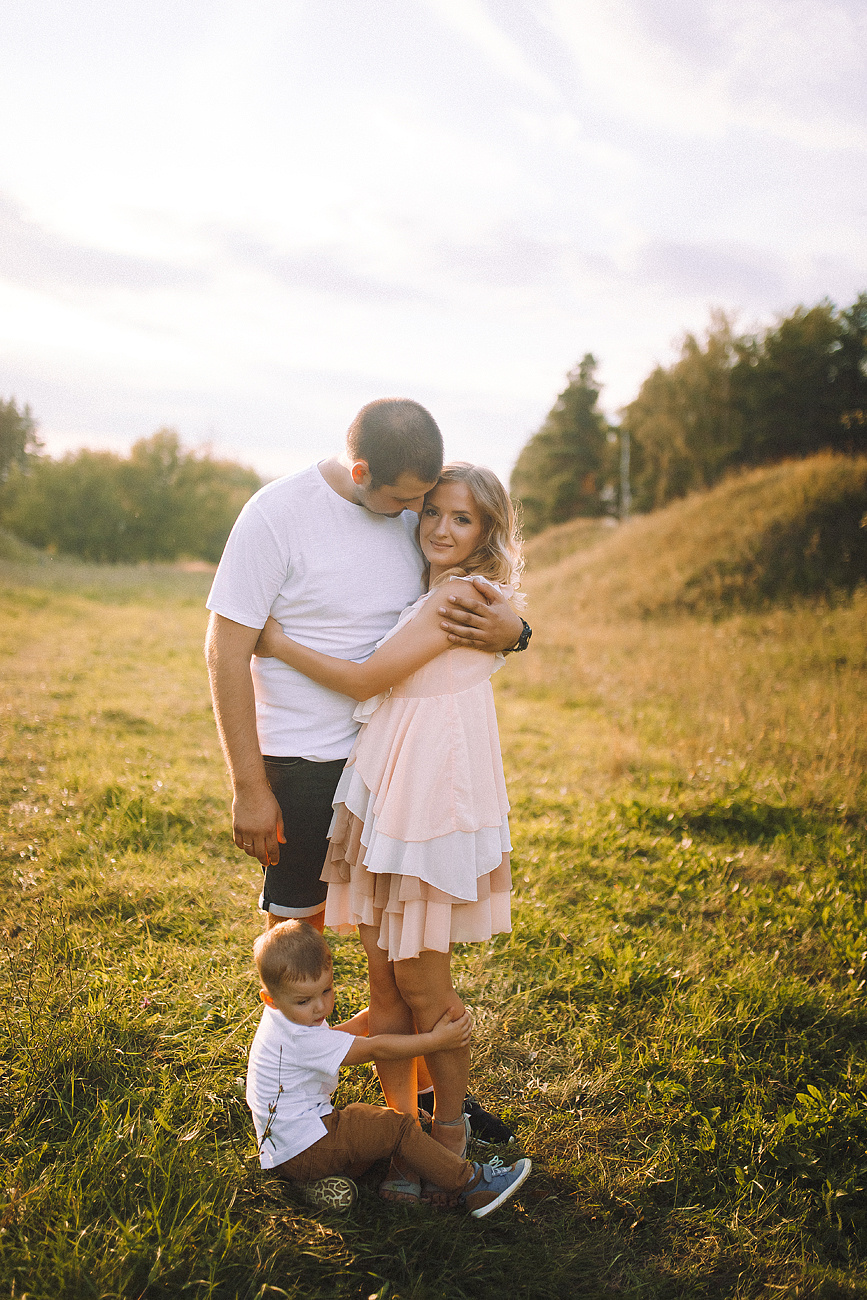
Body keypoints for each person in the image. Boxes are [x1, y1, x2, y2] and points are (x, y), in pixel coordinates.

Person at [206, 400, 527, 1141]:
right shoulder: (276, 515)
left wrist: (518, 630)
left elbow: (463, 610)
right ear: (361, 474)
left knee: (395, 972)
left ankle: (418, 1104)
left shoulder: (411, 513)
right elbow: (224, 650)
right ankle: (287, 1099)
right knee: (297, 950)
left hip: (388, 776)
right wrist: (250, 785)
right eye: (409, 503)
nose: (419, 518)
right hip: (301, 766)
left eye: (431, 504)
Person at [247, 919, 531, 1215]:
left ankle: (313, 1183)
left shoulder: (281, 1020)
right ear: (270, 999)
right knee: (397, 1128)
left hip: (286, 1149)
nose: (320, 1007)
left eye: (327, 991)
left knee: (365, 1123)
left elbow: (329, 1040)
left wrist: (377, 1013)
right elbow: (376, 1048)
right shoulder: (299, 1037)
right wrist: (436, 1039)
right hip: (309, 1145)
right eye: (305, 1000)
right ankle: (473, 1185)